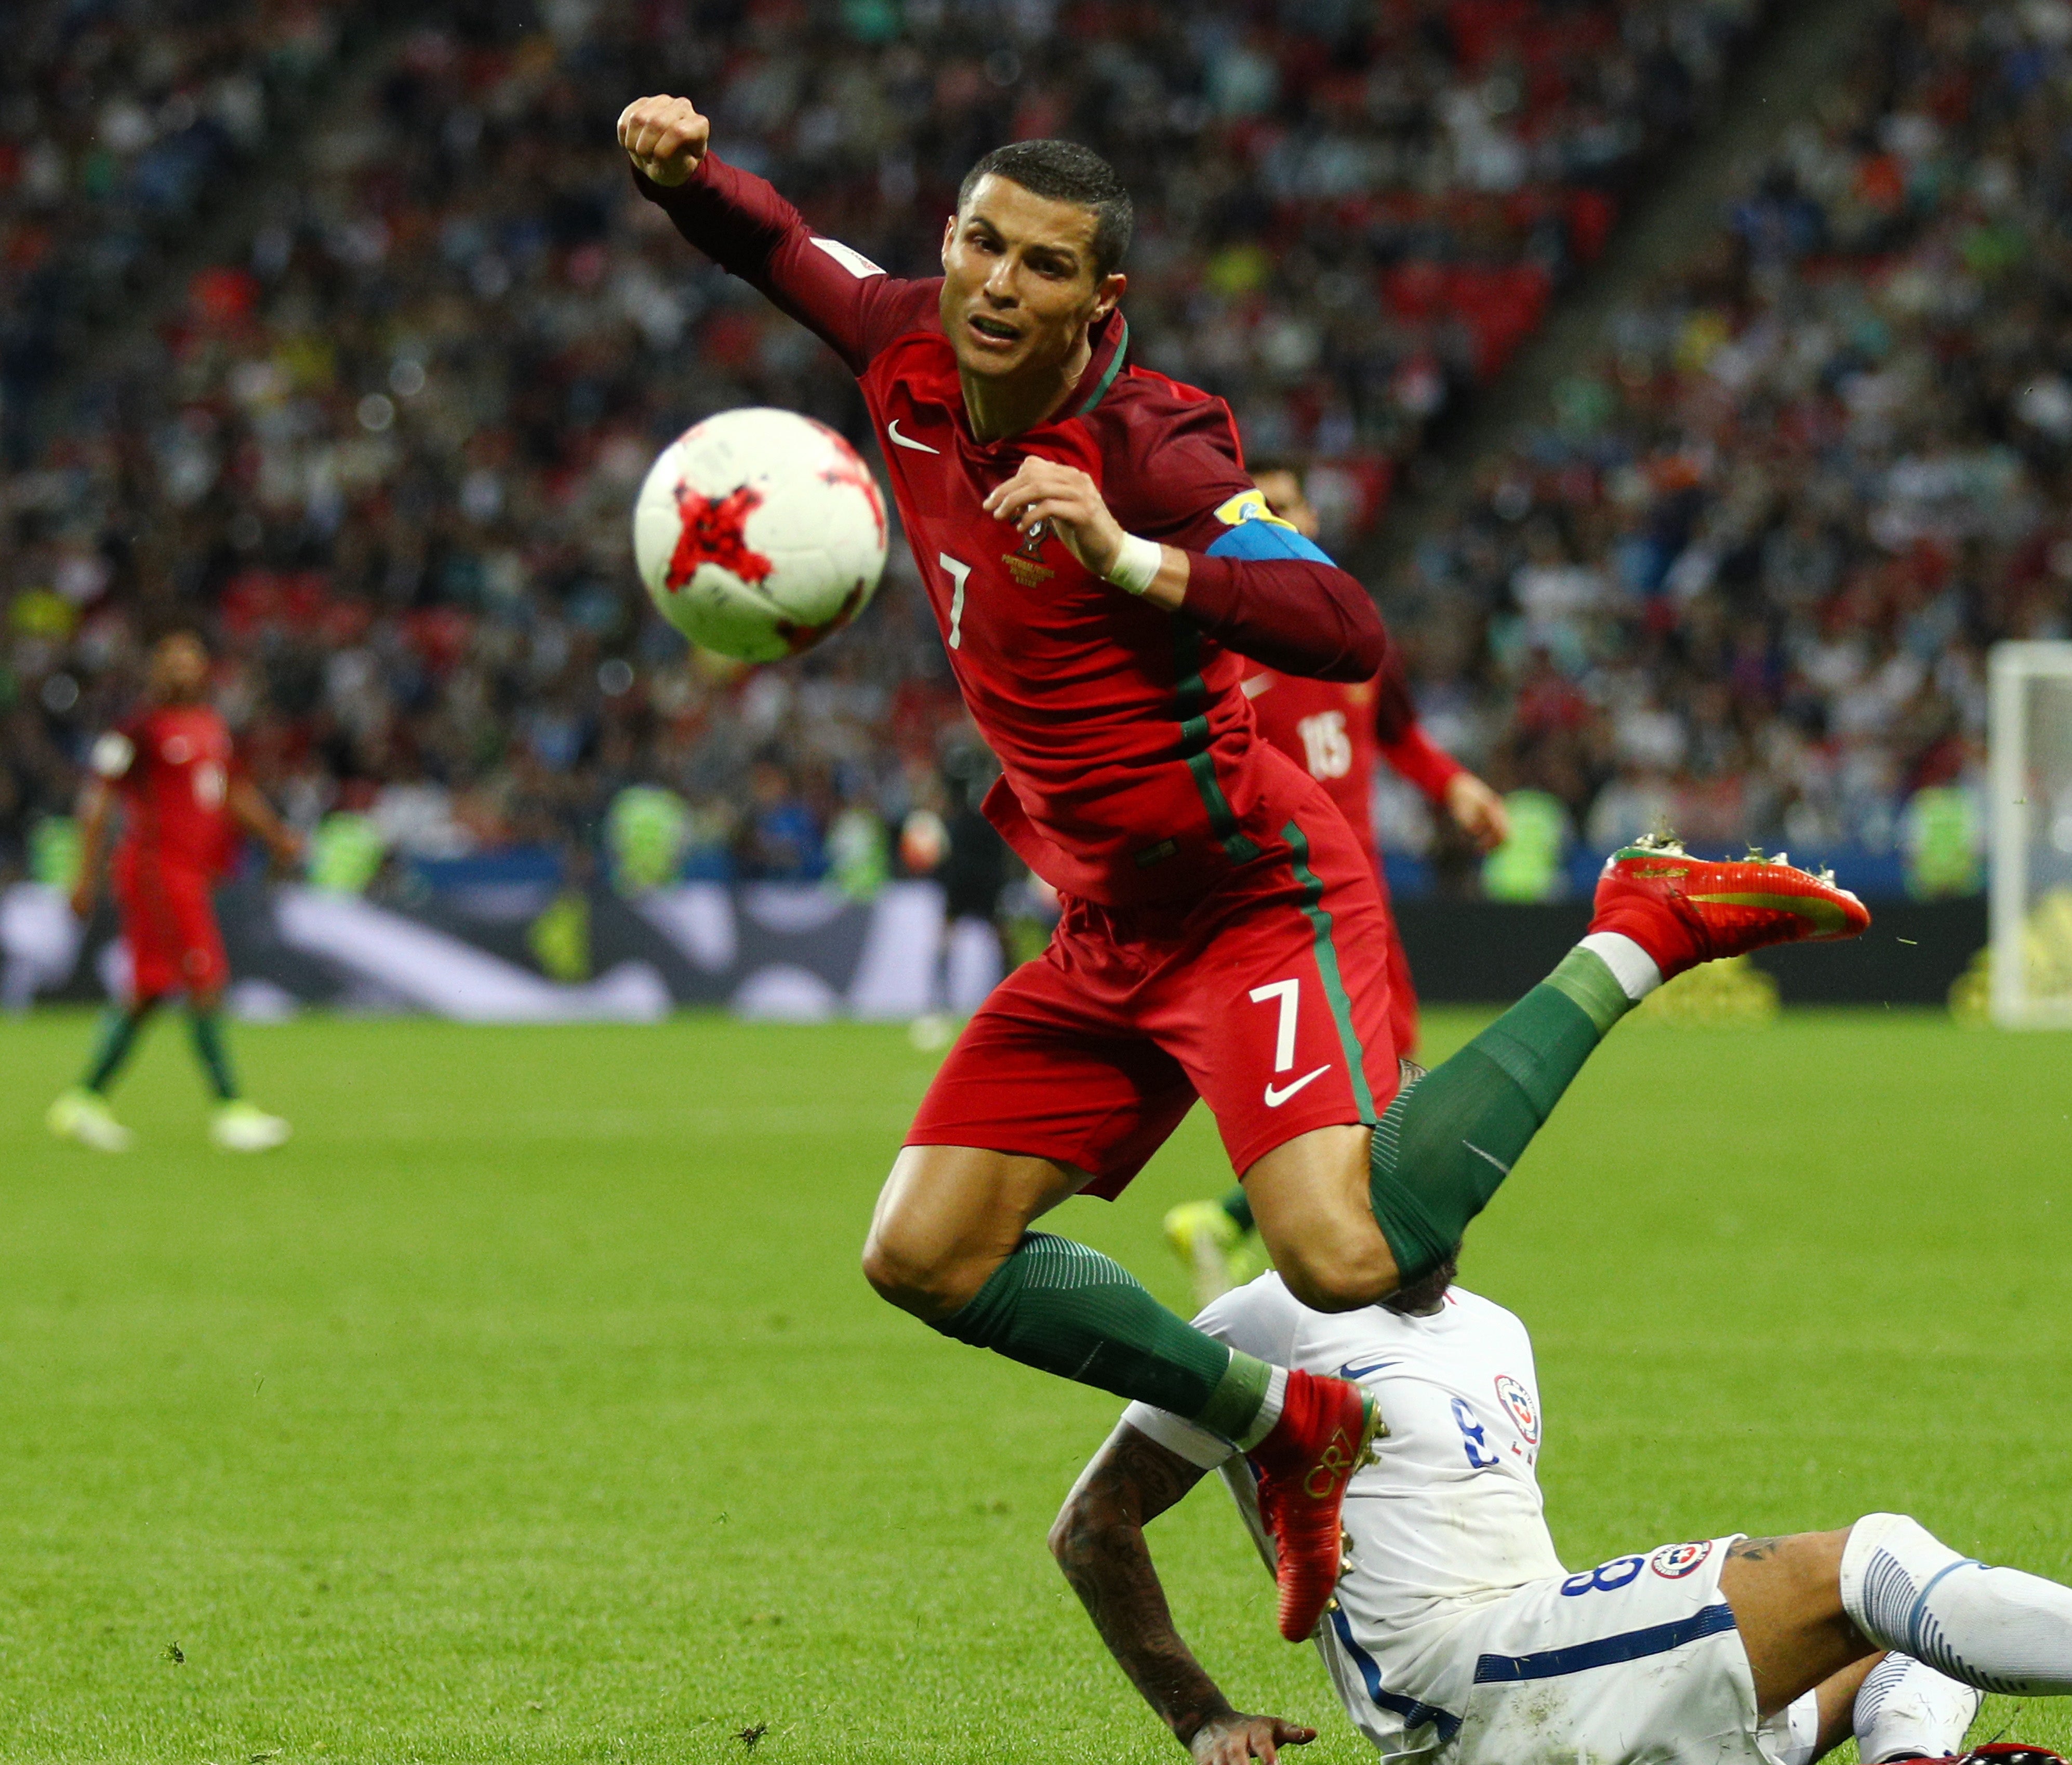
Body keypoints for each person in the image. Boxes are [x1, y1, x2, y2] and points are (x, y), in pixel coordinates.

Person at [620, 97, 1869, 1642]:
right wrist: (682, 177)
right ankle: (1284, 1429)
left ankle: (1637, 931)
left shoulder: (1151, 444)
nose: (1000, 284)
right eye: (981, 245)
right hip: (1100, 927)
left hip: (1245, 897)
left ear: (1102, 303)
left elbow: (1343, 627)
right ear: (946, 246)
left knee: (1339, 1253)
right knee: (923, 1253)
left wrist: (1126, 558)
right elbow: (775, 244)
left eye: (1044, 265)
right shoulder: (904, 349)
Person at [1051, 1259, 2072, 1765]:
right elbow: (1093, 1524)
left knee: (1916, 1595)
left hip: (1549, 1678)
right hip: (1459, 1695)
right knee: (1867, 1563)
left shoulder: (1495, 1327)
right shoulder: (1264, 1321)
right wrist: (1200, 1714)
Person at [1162, 456, 1507, 1301]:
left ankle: (1252, 1229)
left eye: (1287, 504)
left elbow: (1397, 732)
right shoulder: (1219, 646)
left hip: (1359, 890)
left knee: (1387, 1070)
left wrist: (1453, 784)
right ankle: (1323, 1245)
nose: (1274, 517)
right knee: (1380, 1076)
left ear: (1312, 518)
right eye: (1256, 506)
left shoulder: (1353, 632)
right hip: (1283, 892)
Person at [45, 632, 297, 1152]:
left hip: (193, 873)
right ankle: (231, 1108)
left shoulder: (212, 727)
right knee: (204, 981)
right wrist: (83, 878)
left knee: (150, 991)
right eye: (172, 661)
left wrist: (277, 837)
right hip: (157, 871)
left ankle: (83, 1101)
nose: (183, 670)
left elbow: (232, 793)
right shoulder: (138, 730)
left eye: (192, 660)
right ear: (155, 670)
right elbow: (98, 803)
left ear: (206, 669)